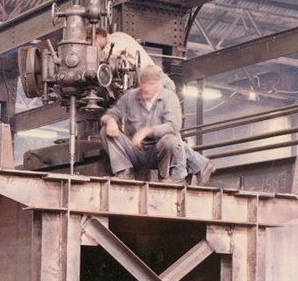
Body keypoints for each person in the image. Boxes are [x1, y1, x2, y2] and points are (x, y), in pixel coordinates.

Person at [90, 27, 216, 185]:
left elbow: (103, 58)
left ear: (100, 36)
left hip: (157, 81)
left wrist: (86, 59)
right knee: (165, 132)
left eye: (93, 42)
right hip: (147, 83)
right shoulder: (131, 94)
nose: (94, 46)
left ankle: (178, 174)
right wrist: (110, 120)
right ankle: (201, 165)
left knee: (170, 132)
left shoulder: (116, 40)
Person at [100, 64, 183, 183]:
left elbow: (173, 126)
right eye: (144, 83)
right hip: (134, 150)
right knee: (104, 131)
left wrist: (148, 131)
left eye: (152, 84)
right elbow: (112, 113)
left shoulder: (169, 98)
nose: (147, 88)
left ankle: (163, 176)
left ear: (160, 84)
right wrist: (110, 120)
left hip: (156, 152)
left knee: (171, 141)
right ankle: (124, 172)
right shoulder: (130, 96)